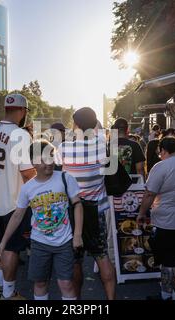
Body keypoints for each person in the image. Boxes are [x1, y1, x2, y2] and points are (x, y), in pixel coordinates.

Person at [0, 140, 84, 300]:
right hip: (39, 244)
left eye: (51, 156)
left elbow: (77, 205)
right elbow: (17, 215)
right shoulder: (28, 188)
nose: (49, 162)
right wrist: (3, 241)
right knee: (40, 283)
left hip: (64, 242)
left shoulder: (65, 178)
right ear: (33, 162)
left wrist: (77, 235)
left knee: (66, 284)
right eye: (43, 159)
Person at [55, 107, 116, 300]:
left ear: (77, 125)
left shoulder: (64, 148)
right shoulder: (101, 147)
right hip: (96, 208)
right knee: (102, 256)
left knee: (75, 261)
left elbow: (57, 171)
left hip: (73, 210)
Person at [137, 137, 175, 300]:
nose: (160, 156)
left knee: (169, 260)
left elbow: (150, 194)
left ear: (164, 150)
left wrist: (142, 213)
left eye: (160, 153)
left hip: (167, 221)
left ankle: (166, 295)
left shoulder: (161, 166)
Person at [0, 93, 36, 299]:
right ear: (23, 111)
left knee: (3, 243)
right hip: (15, 199)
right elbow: (27, 172)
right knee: (12, 249)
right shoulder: (20, 134)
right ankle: (8, 293)